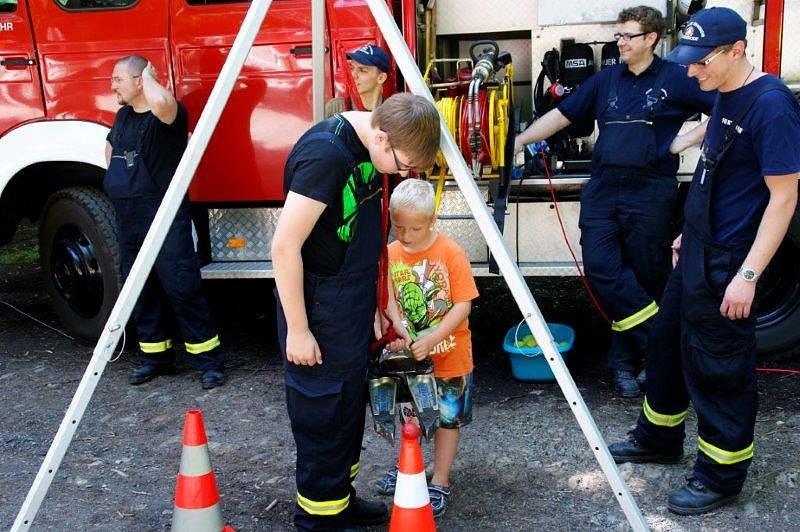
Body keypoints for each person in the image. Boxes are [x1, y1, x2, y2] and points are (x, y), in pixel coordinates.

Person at [608, 7, 800, 515]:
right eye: (688, 62)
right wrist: (685, 232)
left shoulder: (772, 106)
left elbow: (783, 199)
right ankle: (659, 436)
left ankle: (720, 476)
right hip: (695, 248)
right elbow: (718, 162)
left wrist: (748, 276)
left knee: (719, 368)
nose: (693, 73)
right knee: (667, 346)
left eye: (701, 63)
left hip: (730, 263)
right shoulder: (726, 90)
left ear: (737, 50)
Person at [513, 5, 715, 398]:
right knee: (605, 272)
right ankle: (662, 348)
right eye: (619, 35)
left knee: (643, 278)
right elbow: (562, 115)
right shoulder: (606, 80)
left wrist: (683, 141)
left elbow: (724, 104)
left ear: (652, 39)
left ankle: (625, 365)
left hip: (650, 191)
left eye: (628, 36)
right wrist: (519, 141)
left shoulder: (677, 78)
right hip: (604, 189)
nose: (619, 42)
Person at [271, 93, 440, 531]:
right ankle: (317, 520)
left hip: (350, 306)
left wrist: (378, 305)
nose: (404, 174)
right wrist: (298, 329)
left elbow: (365, 241)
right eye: (402, 164)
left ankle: (338, 502)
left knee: (347, 409)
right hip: (319, 311)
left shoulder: (369, 149)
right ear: (382, 137)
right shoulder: (326, 156)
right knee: (322, 415)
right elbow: (285, 246)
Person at [104, 55, 224, 390]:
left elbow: (161, 102)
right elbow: (110, 151)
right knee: (140, 289)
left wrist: (150, 77)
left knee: (182, 286)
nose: (112, 86)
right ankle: (155, 358)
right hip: (129, 217)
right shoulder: (123, 116)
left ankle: (209, 363)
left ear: (140, 81)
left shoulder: (168, 115)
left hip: (164, 215)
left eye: (118, 79)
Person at [372, 178, 479, 518]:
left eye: (415, 228)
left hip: (450, 356)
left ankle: (441, 480)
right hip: (409, 363)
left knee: (447, 420)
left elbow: (462, 305)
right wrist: (395, 329)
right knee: (409, 417)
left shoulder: (451, 252)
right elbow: (385, 301)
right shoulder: (388, 255)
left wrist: (432, 337)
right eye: (398, 226)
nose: (405, 235)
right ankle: (408, 468)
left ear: (433, 222)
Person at [347, 43, 390, 111]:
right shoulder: (336, 107)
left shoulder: (392, 114)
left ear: (381, 78)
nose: (353, 75)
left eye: (362, 70)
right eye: (352, 68)